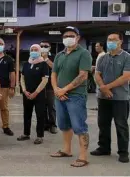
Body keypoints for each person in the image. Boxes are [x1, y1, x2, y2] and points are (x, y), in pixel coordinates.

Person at [49, 26, 92, 167]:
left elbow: (83, 76)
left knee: (79, 126)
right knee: (64, 125)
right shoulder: (59, 55)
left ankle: (83, 157)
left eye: (71, 35)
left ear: (78, 37)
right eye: (65, 35)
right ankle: (66, 150)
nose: (68, 37)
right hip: (59, 95)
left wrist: (64, 90)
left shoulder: (83, 53)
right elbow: (54, 73)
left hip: (76, 96)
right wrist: (56, 89)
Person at [92, 32, 130, 163]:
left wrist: (107, 87)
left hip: (120, 98)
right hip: (103, 97)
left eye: (114, 39)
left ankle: (123, 152)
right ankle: (104, 148)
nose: (111, 42)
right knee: (103, 123)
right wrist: (103, 87)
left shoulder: (127, 57)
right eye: (109, 39)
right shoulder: (103, 57)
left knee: (121, 125)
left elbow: (126, 77)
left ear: (121, 42)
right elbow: (97, 74)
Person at [18, 44, 49, 144]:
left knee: (40, 114)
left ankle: (40, 136)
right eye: (32, 49)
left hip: (39, 94)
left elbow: (45, 80)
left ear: (39, 51)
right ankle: (26, 134)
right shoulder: (27, 64)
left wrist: (36, 92)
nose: (34, 51)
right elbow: (22, 78)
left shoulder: (43, 64)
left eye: (36, 50)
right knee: (27, 114)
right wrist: (24, 90)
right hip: (27, 93)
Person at [41, 40, 58, 134]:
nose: (43, 47)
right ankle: (45, 124)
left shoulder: (54, 57)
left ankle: (53, 125)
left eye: (45, 46)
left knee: (51, 107)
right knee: (42, 107)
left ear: (49, 47)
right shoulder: (36, 56)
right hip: (40, 87)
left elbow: (55, 68)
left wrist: (46, 59)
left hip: (51, 86)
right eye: (42, 46)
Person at [91, 42, 106, 111]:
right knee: (98, 93)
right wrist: (94, 67)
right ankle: (99, 106)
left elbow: (103, 68)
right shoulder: (100, 55)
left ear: (102, 47)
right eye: (95, 46)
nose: (96, 48)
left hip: (100, 79)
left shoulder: (103, 55)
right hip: (97, 78)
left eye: (97, 46)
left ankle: (101, 107)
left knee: (100, 93)